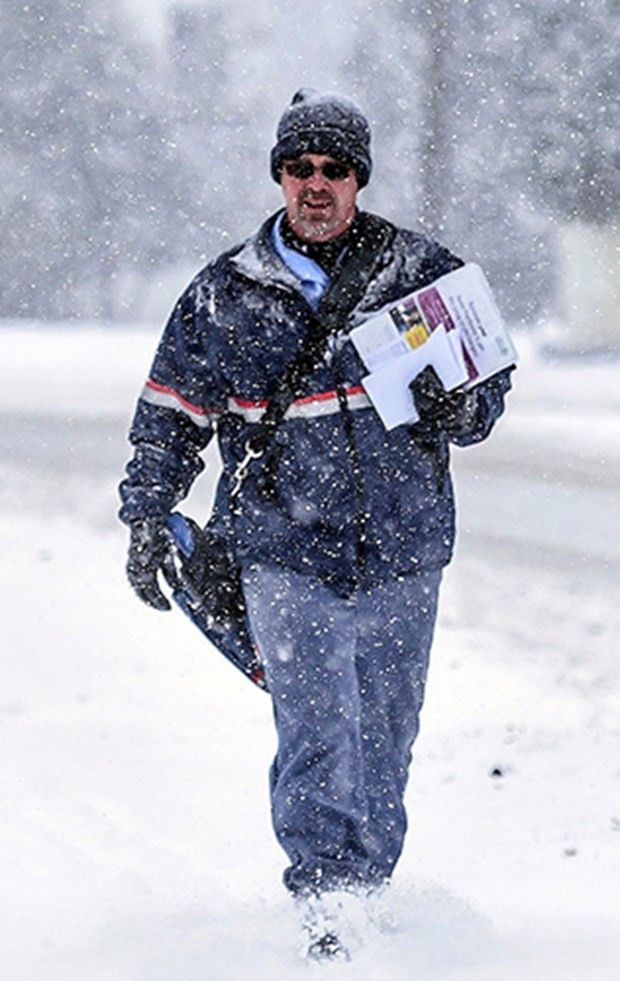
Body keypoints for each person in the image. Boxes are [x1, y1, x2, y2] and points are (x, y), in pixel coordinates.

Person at [118, 89, 514, 961]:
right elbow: (170, 412)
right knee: (316, 726)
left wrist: (457, 402)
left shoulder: (422, 274)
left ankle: (369, 888)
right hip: (283, 547)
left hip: (404, 548)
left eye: (335, 169)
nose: (317, 185)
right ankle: (326, 899)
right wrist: (147, 512)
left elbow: (487, 401)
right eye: (301, 168)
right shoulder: (226, 293)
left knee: (385, 728)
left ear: (359, 179)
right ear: (280, 176)